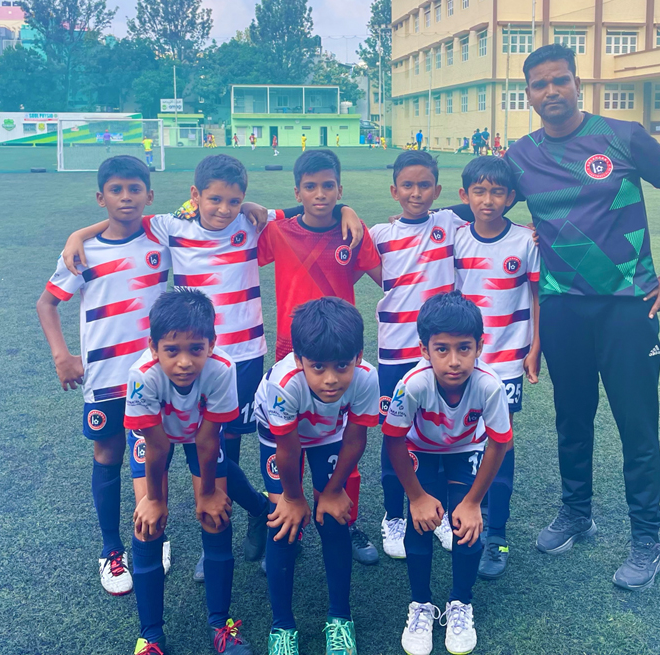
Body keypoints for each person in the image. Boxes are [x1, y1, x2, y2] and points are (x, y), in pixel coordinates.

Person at [61, 157, 367, 577]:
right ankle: (234, 524)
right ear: (195, 195)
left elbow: (308, 209)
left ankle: (252, 517)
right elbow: (125, 219)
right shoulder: (172, 227)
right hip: (200, 358)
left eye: (233, 201)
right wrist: (79, 234)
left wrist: (347, 209)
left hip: (246, 354)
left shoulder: (251, 222)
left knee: (232, 441)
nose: (224, 209)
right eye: (215, 200)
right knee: (212, 445)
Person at [512, 44, 660, 590]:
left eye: (560, 80)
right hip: (562, 308)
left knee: (636, 424)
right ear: (528, 95)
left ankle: (648, 541)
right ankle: (577, 513)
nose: (551, 91)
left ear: (578, 83)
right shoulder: (520, 156)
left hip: (628, 307)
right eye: (540, 84)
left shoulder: (623, 136)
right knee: (571, 418)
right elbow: (480, 204)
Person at [36, 155, 170, 598]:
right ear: (101, 197)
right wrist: (62, 356)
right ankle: (111, 549)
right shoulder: (83, 252)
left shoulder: (160, 238)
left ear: (149, 196)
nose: (126, 197)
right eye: (116, 190)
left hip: (151, 377)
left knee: (151, 457)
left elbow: (203, 216)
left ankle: (154, 534)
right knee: (108, 454)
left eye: (135, 189)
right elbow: (46, 304)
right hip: (104, 377)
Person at [256, 150, 383, 565]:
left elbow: (388, 278)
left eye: (329, 186)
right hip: (292, 352)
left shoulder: (353, 233)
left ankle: (345, 519)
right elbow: (231, 229)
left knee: (341, 438)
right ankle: (281, 517)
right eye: (310, 187)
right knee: (287, 440)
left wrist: (350, 214)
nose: (320, 194)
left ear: (340, 189)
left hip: (341, 353)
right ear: (297, 193)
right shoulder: (278, 231)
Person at [126, 289, 261, 655]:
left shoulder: (222, 369)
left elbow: (207, 439)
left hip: (200, 429)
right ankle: (150, 636)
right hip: (154, 434)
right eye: (172, 350)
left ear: (211, 345)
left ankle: (220, 625)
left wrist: (208, 493)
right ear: (154, 347)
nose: (184, 362)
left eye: (195, 349)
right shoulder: (142, 375)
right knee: (148, 524)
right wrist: (155, 500)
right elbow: (157, 446)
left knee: (215, 516)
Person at [384, 291, 515, 655]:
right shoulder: (413, 384)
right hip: (421, 449)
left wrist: (473, 502)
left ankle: (460, 602)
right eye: (442, 349)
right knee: (420, 522)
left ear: (480, 347)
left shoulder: (489, 385)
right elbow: (393, 440)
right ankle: (421, 605)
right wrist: (416, 497)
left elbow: (499, 444)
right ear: (424, 349)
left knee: (467, 526)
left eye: (464, 348)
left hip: (465, 450)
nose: (454, 361)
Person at [255, 297, 379, 655]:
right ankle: (282, 626)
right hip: (278, 434)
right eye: (318, 366)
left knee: (335, 518)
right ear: (299, 360)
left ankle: (340, 618)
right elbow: (288, 449)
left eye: (342, 365)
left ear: (358, 357)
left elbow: (355, 439)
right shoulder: (285, 383)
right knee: (283, 521)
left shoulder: (367, 377)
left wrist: (333, 490)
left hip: (329, 432)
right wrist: (294, 499)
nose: (330, 379)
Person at [370, 149, 465, 559]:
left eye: (424, 185)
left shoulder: (449, 223)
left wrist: (530, 230)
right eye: (407, 185)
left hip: (439, 355)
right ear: (394, 191)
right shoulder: (378, 235)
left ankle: (438, 513)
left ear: (437, 190)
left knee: (439, 434)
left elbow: (492, 206)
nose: (415, 193)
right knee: (395, 434)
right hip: (394, 353)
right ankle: (394, 515)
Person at [451, 156, 541, 580]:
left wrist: (536, 346)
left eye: (497, 192)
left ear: (511, 197)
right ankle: (469, 516)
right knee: (463, 437)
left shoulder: (525, 241)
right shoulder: (455, 240)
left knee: (500, 442)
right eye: (479, 191)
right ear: (465, 195)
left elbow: (538, 297)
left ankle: (498, 534)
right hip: (463, 361)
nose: (488, 200)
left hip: (506, 361)